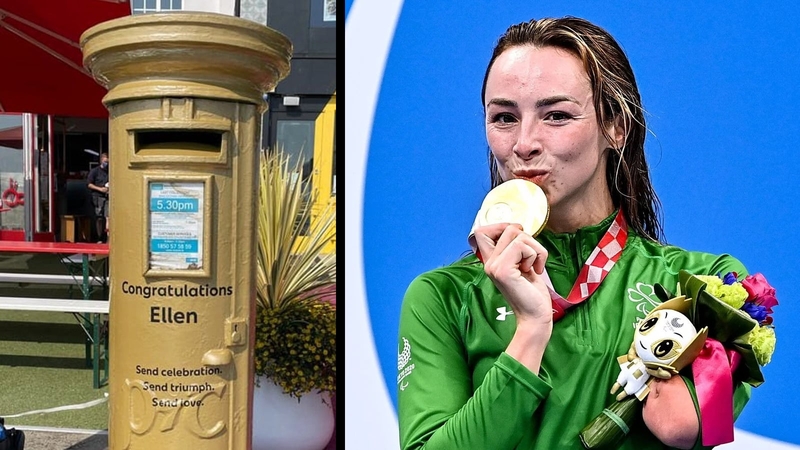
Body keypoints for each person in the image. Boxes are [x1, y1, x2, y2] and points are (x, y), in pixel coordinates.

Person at [397, 17, 752, 450]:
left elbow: (686, 430)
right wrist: (530, 330)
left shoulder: (708, 288)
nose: (524, 143)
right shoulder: (443, 296)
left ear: (615, 126)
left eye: (557, 115)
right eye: (505, 117)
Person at [87, 152, 109, 243]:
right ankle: (99, 237)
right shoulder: (95, 171)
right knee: (99, 217)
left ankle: (108, 238)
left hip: (108, 196)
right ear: (101, 161)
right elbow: (89, 184)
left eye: (108, 162)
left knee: (108, 217)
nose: (106, 164)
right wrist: (100, 189)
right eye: (105, 162)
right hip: (97, 197)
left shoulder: (110, 171)